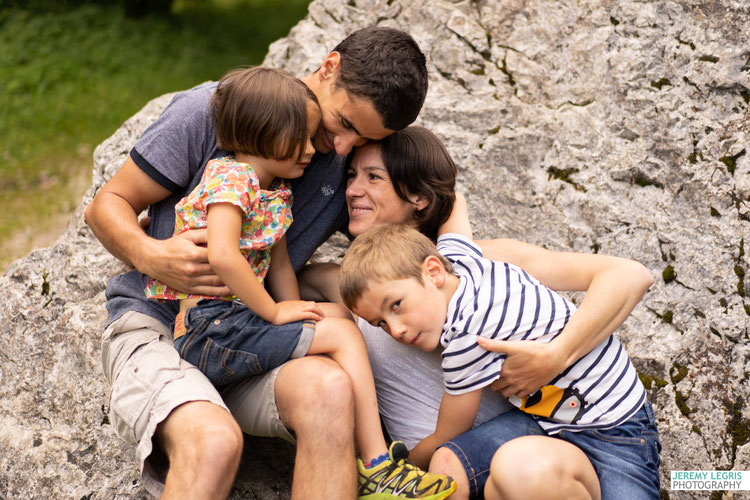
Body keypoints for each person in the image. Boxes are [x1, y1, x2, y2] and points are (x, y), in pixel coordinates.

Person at [85, 27, 428, 499]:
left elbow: (425, 206)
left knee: (329, 391)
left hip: (247, 338)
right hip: (162, 325)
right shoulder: (215, 110)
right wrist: (154, 255)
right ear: (329, 67)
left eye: (366, 138)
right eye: (345, 123)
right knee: (213, 442)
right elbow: (107, 204)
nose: (345, 148)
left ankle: (378, 472)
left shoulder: (341, 165)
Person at [298, 125, 658, 499]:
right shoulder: (366, 285)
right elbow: (305, 279)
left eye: (373, 177)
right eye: (351, 176)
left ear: (418, 195)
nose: (353, 190)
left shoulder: (473, 266)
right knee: (447, 467)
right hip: (528, 432)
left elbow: (629, 274)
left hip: (596, 429)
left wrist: (556, 355)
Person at [339, 220, 661, 499]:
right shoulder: (463, 260)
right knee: (448, 467)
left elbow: (445, 433)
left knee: (440, 453)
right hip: (543, 420)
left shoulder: (469, 335)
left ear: (434, 271)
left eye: (396, 305)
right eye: (380, 323)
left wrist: (397, 468)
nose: (394, 330)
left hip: (616, 429)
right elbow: (455, 217)